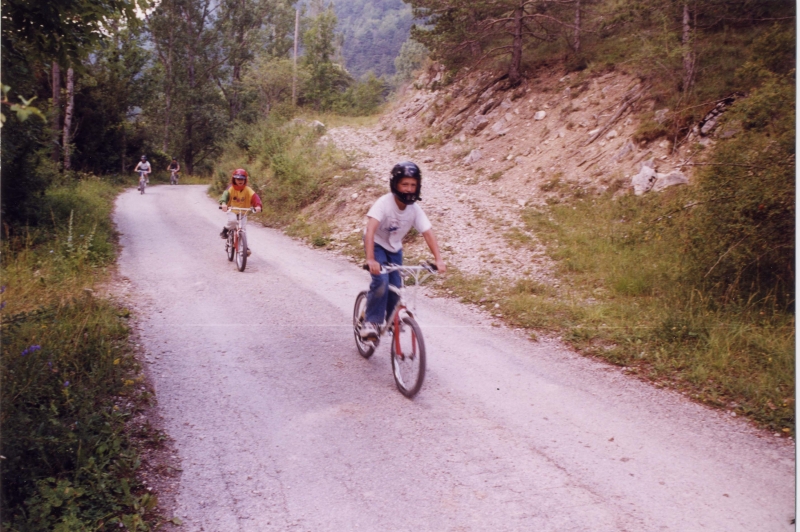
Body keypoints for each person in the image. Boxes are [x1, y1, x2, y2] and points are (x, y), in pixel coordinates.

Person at [360, 161, 446, 339]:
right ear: (395, 184)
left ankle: (392, 319)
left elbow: (428, 232)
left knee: (396, 287)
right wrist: (371, 259)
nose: (409, 189)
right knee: (382, 282)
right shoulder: (383, 203)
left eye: (413, 185)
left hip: (394, 248)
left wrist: (438, 259)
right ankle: (371, 321)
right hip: (376, 244)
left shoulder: (414, 210)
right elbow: (370, 232)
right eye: (405, 184)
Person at [218, 169, 262, 248]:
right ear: (234, 179)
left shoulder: (248, 189)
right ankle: (225, 230)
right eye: (238, 179)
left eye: (242, 179)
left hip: (243, 212)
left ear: (245, 179)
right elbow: (224, 196)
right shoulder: (231, 188)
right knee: (233, 220)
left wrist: (258, 206)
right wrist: (224, 203)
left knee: (243, 229)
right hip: (232, 210)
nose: (240, 181)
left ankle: (244, 246)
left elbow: (255, 197)